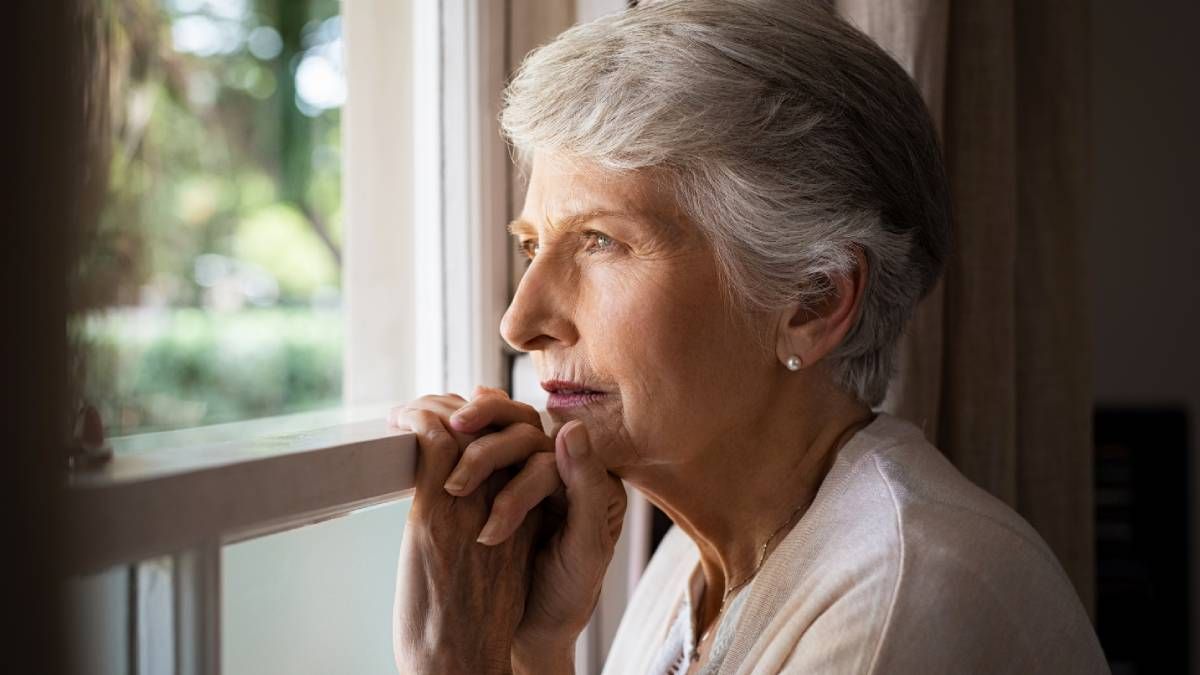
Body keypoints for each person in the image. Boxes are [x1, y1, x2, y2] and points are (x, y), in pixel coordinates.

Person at [389, 1, 1108, 672]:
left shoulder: (903, 601)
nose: (520, 322)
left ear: (813, 299)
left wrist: (461, 662)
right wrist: (538, 646)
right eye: (530, 245)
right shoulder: (693, 567)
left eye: (600, 240)